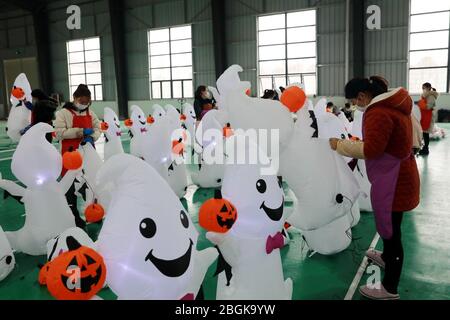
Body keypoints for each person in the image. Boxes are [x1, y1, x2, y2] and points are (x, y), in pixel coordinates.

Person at [329, 76, 420, 300]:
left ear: (362, 96)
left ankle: (389, 287)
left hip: (395, 180)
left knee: (392, 233)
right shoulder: (394, 105)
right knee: (392, 225)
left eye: (354, 101)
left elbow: (372, 149)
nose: (355, 105)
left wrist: (340, 145)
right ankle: (387, 257)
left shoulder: (378, 112)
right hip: (401, 173)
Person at [54, 84, 101, 228]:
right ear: (74, 98)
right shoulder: (63, 113)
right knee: (69, 189)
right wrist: (80, 131)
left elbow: (98, 128)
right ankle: (73, 218)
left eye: (87, 102)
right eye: (81, 101)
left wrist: (92, 136)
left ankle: (93, 213)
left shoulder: (91, 114)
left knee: (90, 185)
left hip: (87, 156)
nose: (84, 104)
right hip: (69, 157)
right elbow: (59, 132)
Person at [417, 83, 439, 156]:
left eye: (424, 88)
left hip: (429, 117)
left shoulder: (431, 96)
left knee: (426, 133)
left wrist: (420, 103)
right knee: (424, 132)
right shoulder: (426, 96)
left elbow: (428, 107)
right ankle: (424, 148)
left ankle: (426, 149)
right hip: (425, 116)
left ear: (428, 88)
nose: (423, 89)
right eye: (422, 88)